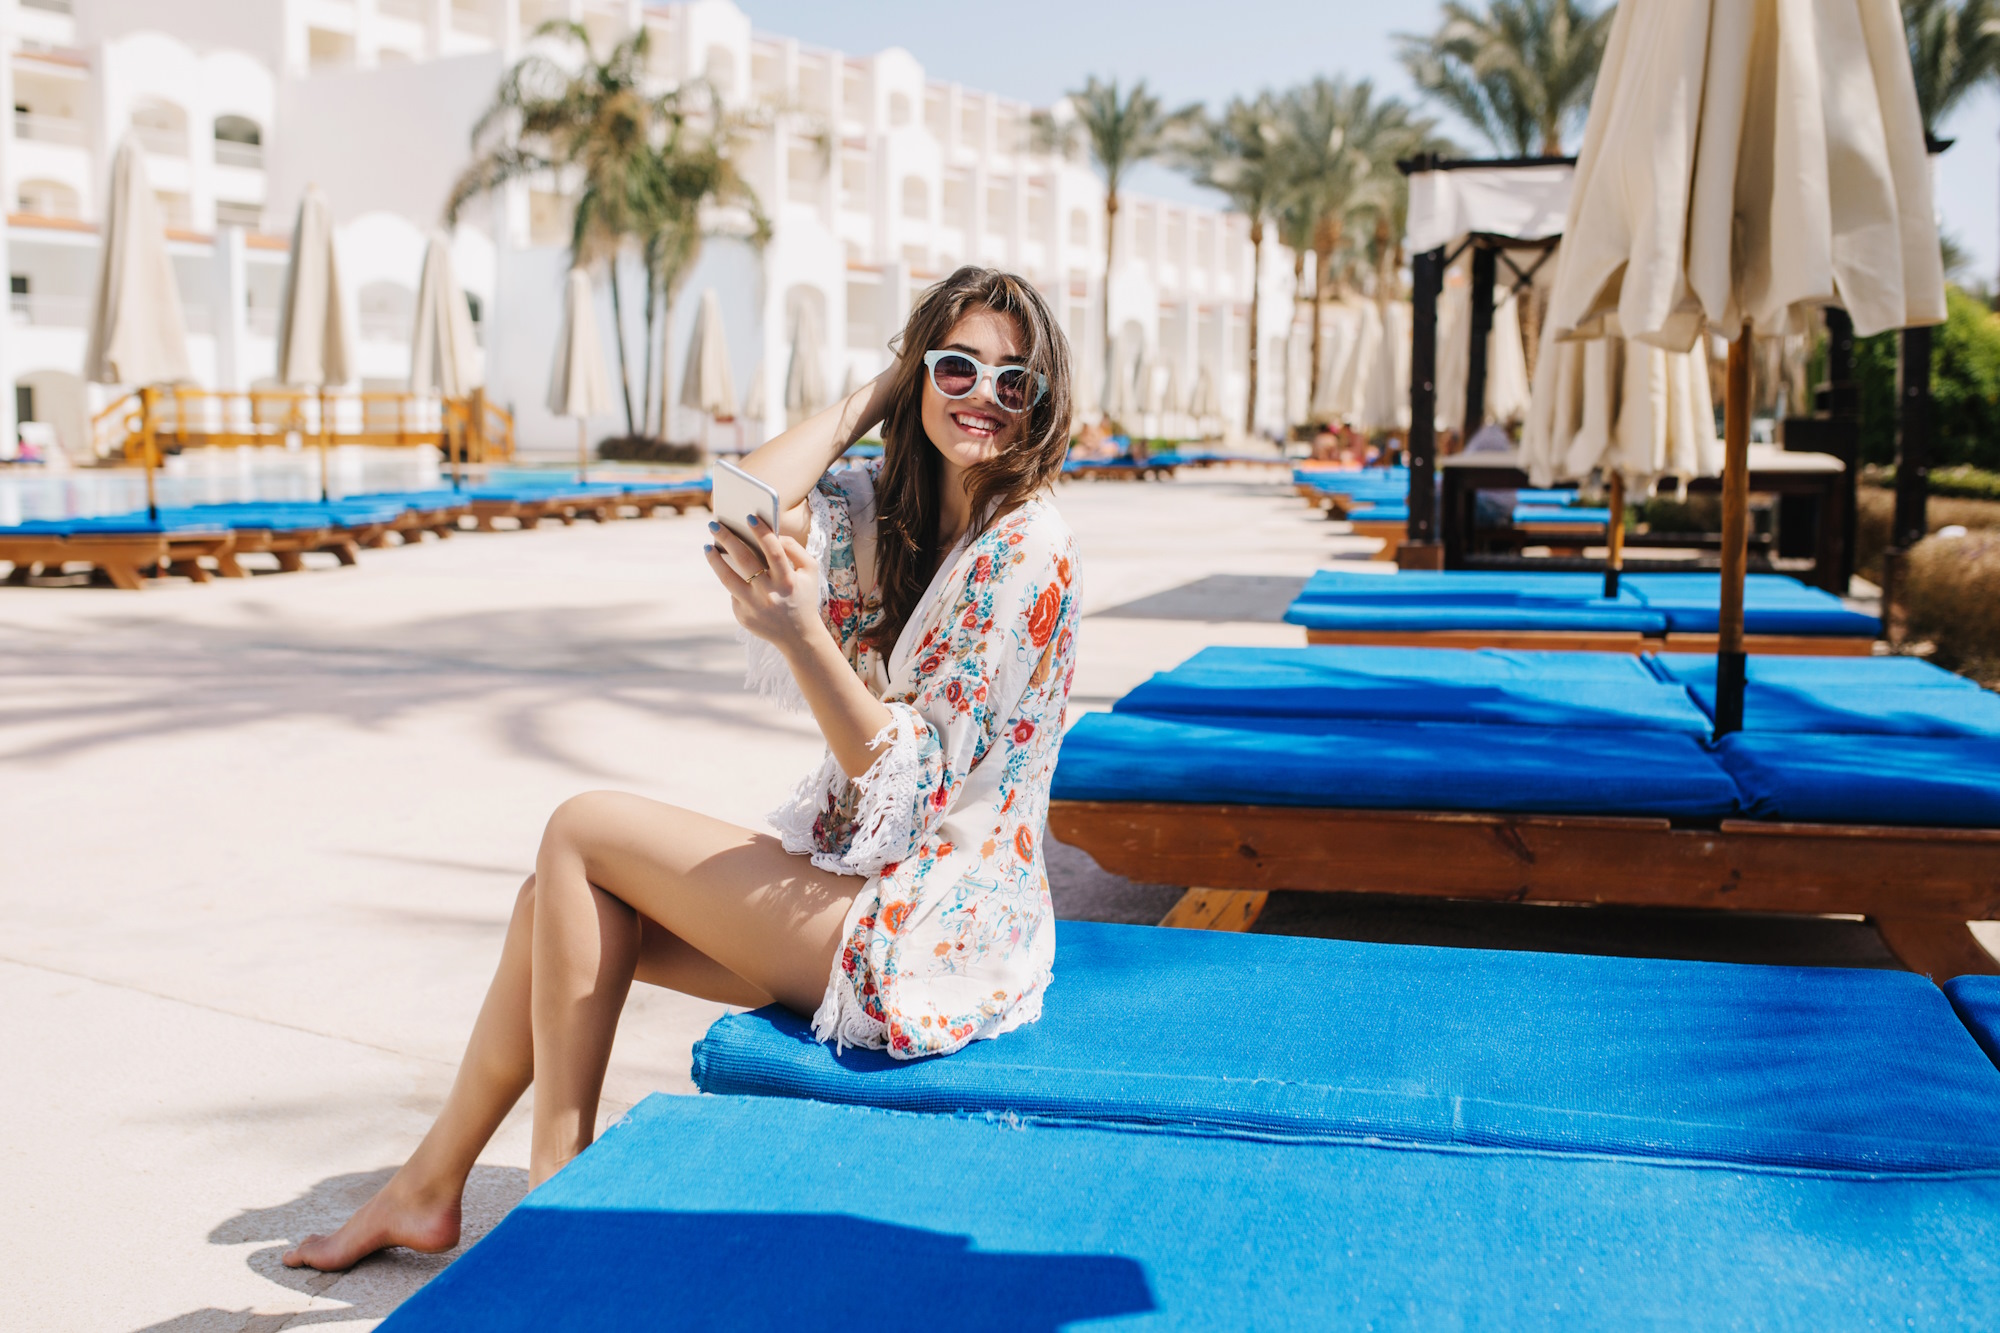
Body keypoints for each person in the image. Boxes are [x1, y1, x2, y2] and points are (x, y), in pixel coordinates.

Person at [283, 267, 1082, 1272]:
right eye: (957, 366)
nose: (984, 397)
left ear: (1043, 405)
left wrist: (802, 638)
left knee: (581, 827)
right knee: (554, 903)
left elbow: (909, 780)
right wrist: (884, 390)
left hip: (938, 927)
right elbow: (745, 498)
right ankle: (428, 1189)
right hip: (889, 892)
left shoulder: (1025, 545)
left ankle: (555, 1213)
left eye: (1016, 382)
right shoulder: (908, 512)